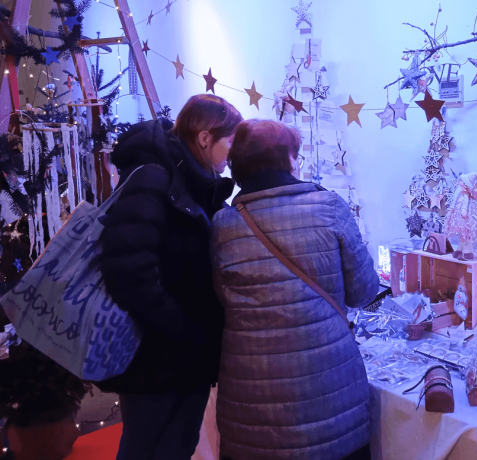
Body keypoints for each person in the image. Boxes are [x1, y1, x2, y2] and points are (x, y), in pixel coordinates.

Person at [211, 119, 378, 460]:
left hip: (251, 406)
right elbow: (364, 292)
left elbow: (220, 300)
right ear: (288, 160)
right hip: (330, 397)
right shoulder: (329, 207)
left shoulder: (222, 225)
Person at [96, 94, 242, 460]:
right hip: (155, 354)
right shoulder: (153, 176)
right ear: (206, 138)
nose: (233, 156)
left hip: (184, 354)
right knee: (146, 450)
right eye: (230, 143)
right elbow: (128, 273)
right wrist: (186, 330)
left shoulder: (193, 179)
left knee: (177, 448)